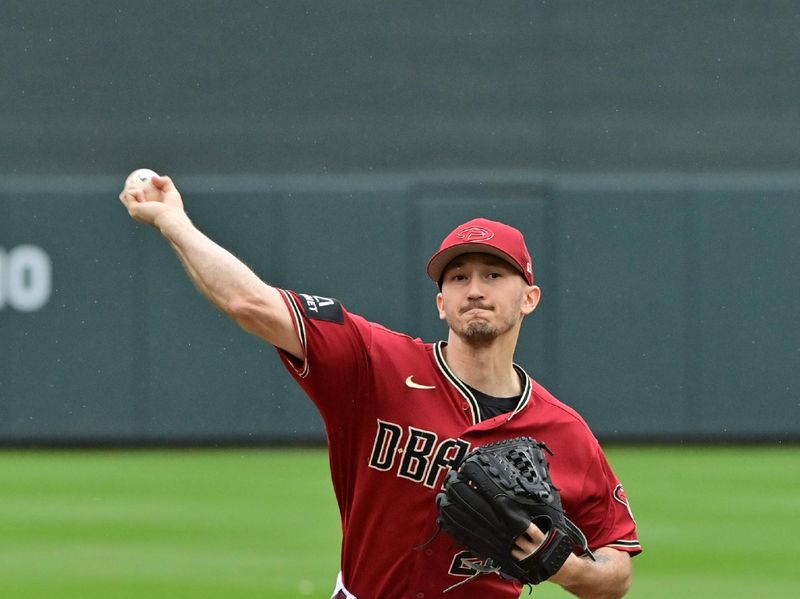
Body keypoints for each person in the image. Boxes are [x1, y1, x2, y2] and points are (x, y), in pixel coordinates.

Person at [119, 174, 641, 599]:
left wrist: (566, 569)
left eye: (493, 275)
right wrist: (173, 221)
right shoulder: (375, 363)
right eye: (457, 278)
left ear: (529, 297)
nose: (474, 290)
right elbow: (250, 303)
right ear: (441, 303)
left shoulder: (563, 431)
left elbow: (616, 568)